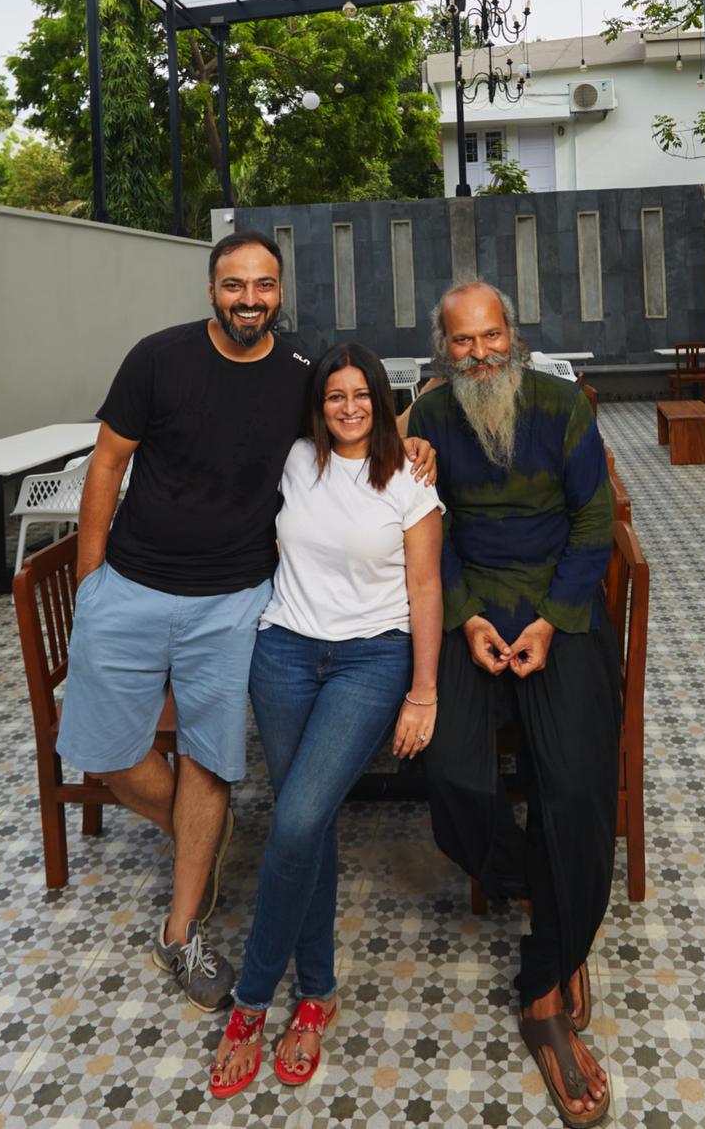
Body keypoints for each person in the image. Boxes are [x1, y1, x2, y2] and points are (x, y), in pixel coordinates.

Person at [55, 232, 436, 1014]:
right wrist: (92, 580)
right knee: (106, 755)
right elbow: (107, 462)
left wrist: (412, 433)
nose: (250, 298)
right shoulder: (156, 358)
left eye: (264, 284)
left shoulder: (298, 372)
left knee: (208, 760)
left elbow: (352, 410)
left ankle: (180, 927)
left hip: (235, 604)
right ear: (211, 290)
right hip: (129, 584)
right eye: (235, 284)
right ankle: (204, 831)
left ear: (279, 291)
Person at [405, 281, 619, 1129]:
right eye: (462, 342)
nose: (480, 353)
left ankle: (544, 986)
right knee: (452, 779)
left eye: (492, 336)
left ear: (514, 336)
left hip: (556, 607)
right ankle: (554, 893)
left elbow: (593, 522)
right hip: (468, 607)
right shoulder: (427, 420)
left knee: (575, 787)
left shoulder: (564, 406)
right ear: (442, 349)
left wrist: (549, 622)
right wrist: (463, 621)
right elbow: (427, 531)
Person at [209, 342, 443, 1100]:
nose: (348, 407)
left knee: (299, 815)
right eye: (334, 396)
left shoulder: (409, 475)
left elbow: (426, 587)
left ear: (381, 396)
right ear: (320, 404)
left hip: (371, 660)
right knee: (309, 824)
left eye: (361, 394)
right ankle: (317, 993)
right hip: (282, 653)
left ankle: (250, 1000)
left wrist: (424, 691)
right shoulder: (296, 457)